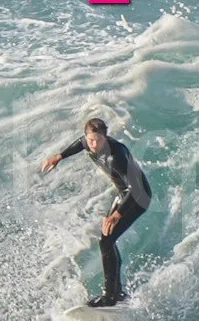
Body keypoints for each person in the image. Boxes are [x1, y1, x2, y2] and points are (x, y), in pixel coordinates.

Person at [40, 115, 151, 307]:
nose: (93, 144)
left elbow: (137, 189)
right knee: (107, 240)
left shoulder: (116, 156)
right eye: (91, 139)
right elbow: (80, 143)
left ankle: (110, 296)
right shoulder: (88, 141)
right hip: (124, 194)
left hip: (139, 197)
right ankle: (117, 292)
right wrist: (60, 156)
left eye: (99, 140)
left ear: (106, 138)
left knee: (106, 240)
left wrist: (117, 214)